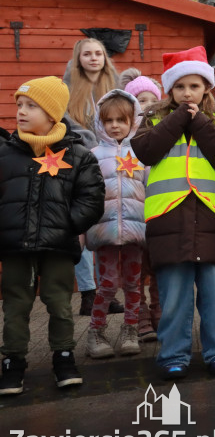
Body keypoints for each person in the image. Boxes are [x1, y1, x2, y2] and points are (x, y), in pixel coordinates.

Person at [131, 47, 215, 380]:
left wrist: (200, 121)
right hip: (169, 218)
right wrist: (179, 118)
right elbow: (146, 151)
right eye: (180, 87)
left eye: (194, 86)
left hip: (210, 218)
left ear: (205, 88)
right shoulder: (153, 117)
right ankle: (173, 355)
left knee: (213, 294)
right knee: (174, 295)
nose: (187, 93)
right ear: (170, 90)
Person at [0, 77, 104, 395]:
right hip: (15, 246)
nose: (21, 111)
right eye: (19, 104)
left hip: (58, 246)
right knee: (15, 305)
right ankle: (12, 363)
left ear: (52, 114)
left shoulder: (77, 154)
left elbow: (92, 197)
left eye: (31, 106)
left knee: (59, 303)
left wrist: (67, 225)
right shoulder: (5, 155)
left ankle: (63, 358)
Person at [84, 90, 149, 359]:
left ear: (132, 120)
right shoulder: (94, 155)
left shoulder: (142, 153)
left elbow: (148, 188)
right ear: (101, 122)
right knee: (108, 284)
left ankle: (130, 329)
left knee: (134, 284)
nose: (114, 125)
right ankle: (96, 331)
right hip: (104, 230)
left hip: (136, 230)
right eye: (108, 120)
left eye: (121, 119)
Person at [65, 38, 121, 317]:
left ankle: (107, 292)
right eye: (87, 53)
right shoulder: (67, 89)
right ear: (79, 58)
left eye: (99, 53)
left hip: (112, 164)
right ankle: (89, 293)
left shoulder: (115, 86)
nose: (93, 58)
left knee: (106, 228)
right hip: (80, 164)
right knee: (82, 231)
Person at [123, 74, 163, 341]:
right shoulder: (125, 140)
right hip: (134, 214)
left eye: (152, 100)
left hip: (158, 212)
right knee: (135, 270)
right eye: (141, 100)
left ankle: (160, 311)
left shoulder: (163, 134)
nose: (147, 105)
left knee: (159, 268)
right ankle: (140, 316)